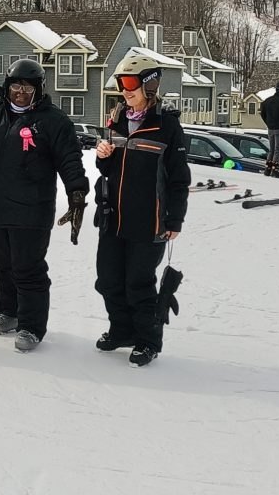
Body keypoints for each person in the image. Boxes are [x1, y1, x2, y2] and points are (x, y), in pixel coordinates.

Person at [0, 59, 89, 352]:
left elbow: (70, 159)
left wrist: (77, 192)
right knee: (4, 266)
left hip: (32, 209)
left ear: (39, 89)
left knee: (28, 268)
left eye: (27, 87)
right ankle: (8, 312)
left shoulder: (53, 120)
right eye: (16, 86)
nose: (20, 92)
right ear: (7, 87)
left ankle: (31, 326)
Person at [94, 54, 190, 367]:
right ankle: (121, 330)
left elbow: (179, 178)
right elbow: (107, 170)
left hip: (150, 220)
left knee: (138, 283)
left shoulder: (167, 125)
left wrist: (175, 218)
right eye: (121, 83)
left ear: (149, 85)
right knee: (109, 280)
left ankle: (148, 341)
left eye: (130, 83)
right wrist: (103, 156)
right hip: (113, 216)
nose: (125, 90)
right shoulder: (117, 118)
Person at [260, 81, 279, 177]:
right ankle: (275, 170)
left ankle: (267, 169)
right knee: (277, 150)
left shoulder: (267, 101)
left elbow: (262, 113)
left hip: (270, 128)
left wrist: (268, 123)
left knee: (271, 149)